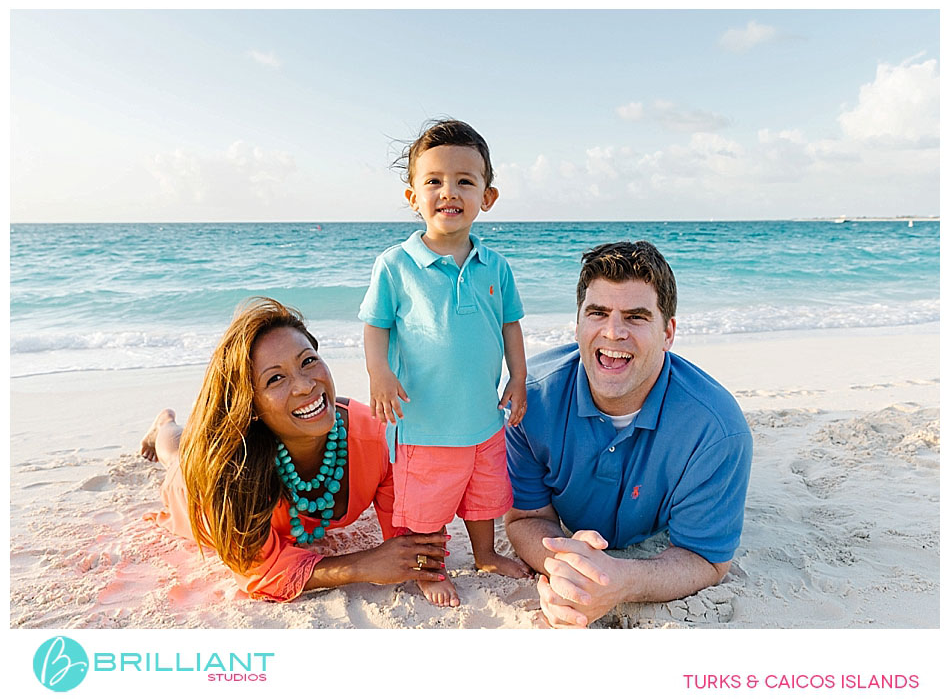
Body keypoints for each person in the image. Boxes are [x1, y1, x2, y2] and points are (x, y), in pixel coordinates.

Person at [504, 241, 753, 627]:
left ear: (668, 332)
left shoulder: (717, 431)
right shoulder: (529, 400)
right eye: (598, 313)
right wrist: (567, 570)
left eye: (636, 317)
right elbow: (525, 518)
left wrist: (619, 581)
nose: (613, 332)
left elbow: (707, 558)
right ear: (577, 325)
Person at [142, 297, 450, 602]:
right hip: (193, 490)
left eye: (308, 361)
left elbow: (408, 533)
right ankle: (163, 424)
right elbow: (259, 573)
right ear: (251, 405)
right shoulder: (233, 472)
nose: (305, 385)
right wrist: (361, 565)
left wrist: (421, 563)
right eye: (275, 378)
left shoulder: (377, 438)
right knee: (175, 456)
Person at [358, 118, 530, 607]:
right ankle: (429, 569)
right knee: (426, 508)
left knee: (484, 497)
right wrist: (380, 374)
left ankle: (485, 554)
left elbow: (509, 325)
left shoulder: (495, 266)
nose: (448, 191)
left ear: (487, 197)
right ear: (412, 196)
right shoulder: (396, 264)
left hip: (482, 418)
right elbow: (375, 325)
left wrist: (518, 378)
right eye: (433, 181)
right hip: (426, 423)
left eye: (464, 181)